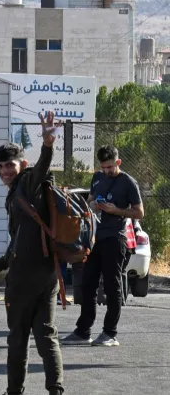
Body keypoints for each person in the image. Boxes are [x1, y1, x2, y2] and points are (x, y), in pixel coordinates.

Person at [0, 111, 64, 395]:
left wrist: (48, 144)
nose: (4, 171)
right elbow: (17, 241)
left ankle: (15, 391)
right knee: (46, 336)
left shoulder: (26, 182)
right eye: (0, 166)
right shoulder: (18, 192)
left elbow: (41, 168)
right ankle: (56, 389)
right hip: (47, 272)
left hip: (26, 278)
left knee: (19, 339)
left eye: (9, 165)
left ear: (21, 164)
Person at [63, 145, 144, 348]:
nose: (107, 171)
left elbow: (139, 213)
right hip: (94, 239)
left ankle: (110, 333)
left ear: (118, 162)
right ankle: (83, 331)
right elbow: (89, 201)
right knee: (87, 284)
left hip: (115, 239)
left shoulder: (128, 182)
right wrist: (93, 206)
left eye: (110, 167)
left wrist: (116, 210)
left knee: (112, 286)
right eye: (103, 167)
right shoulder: (98, 178)